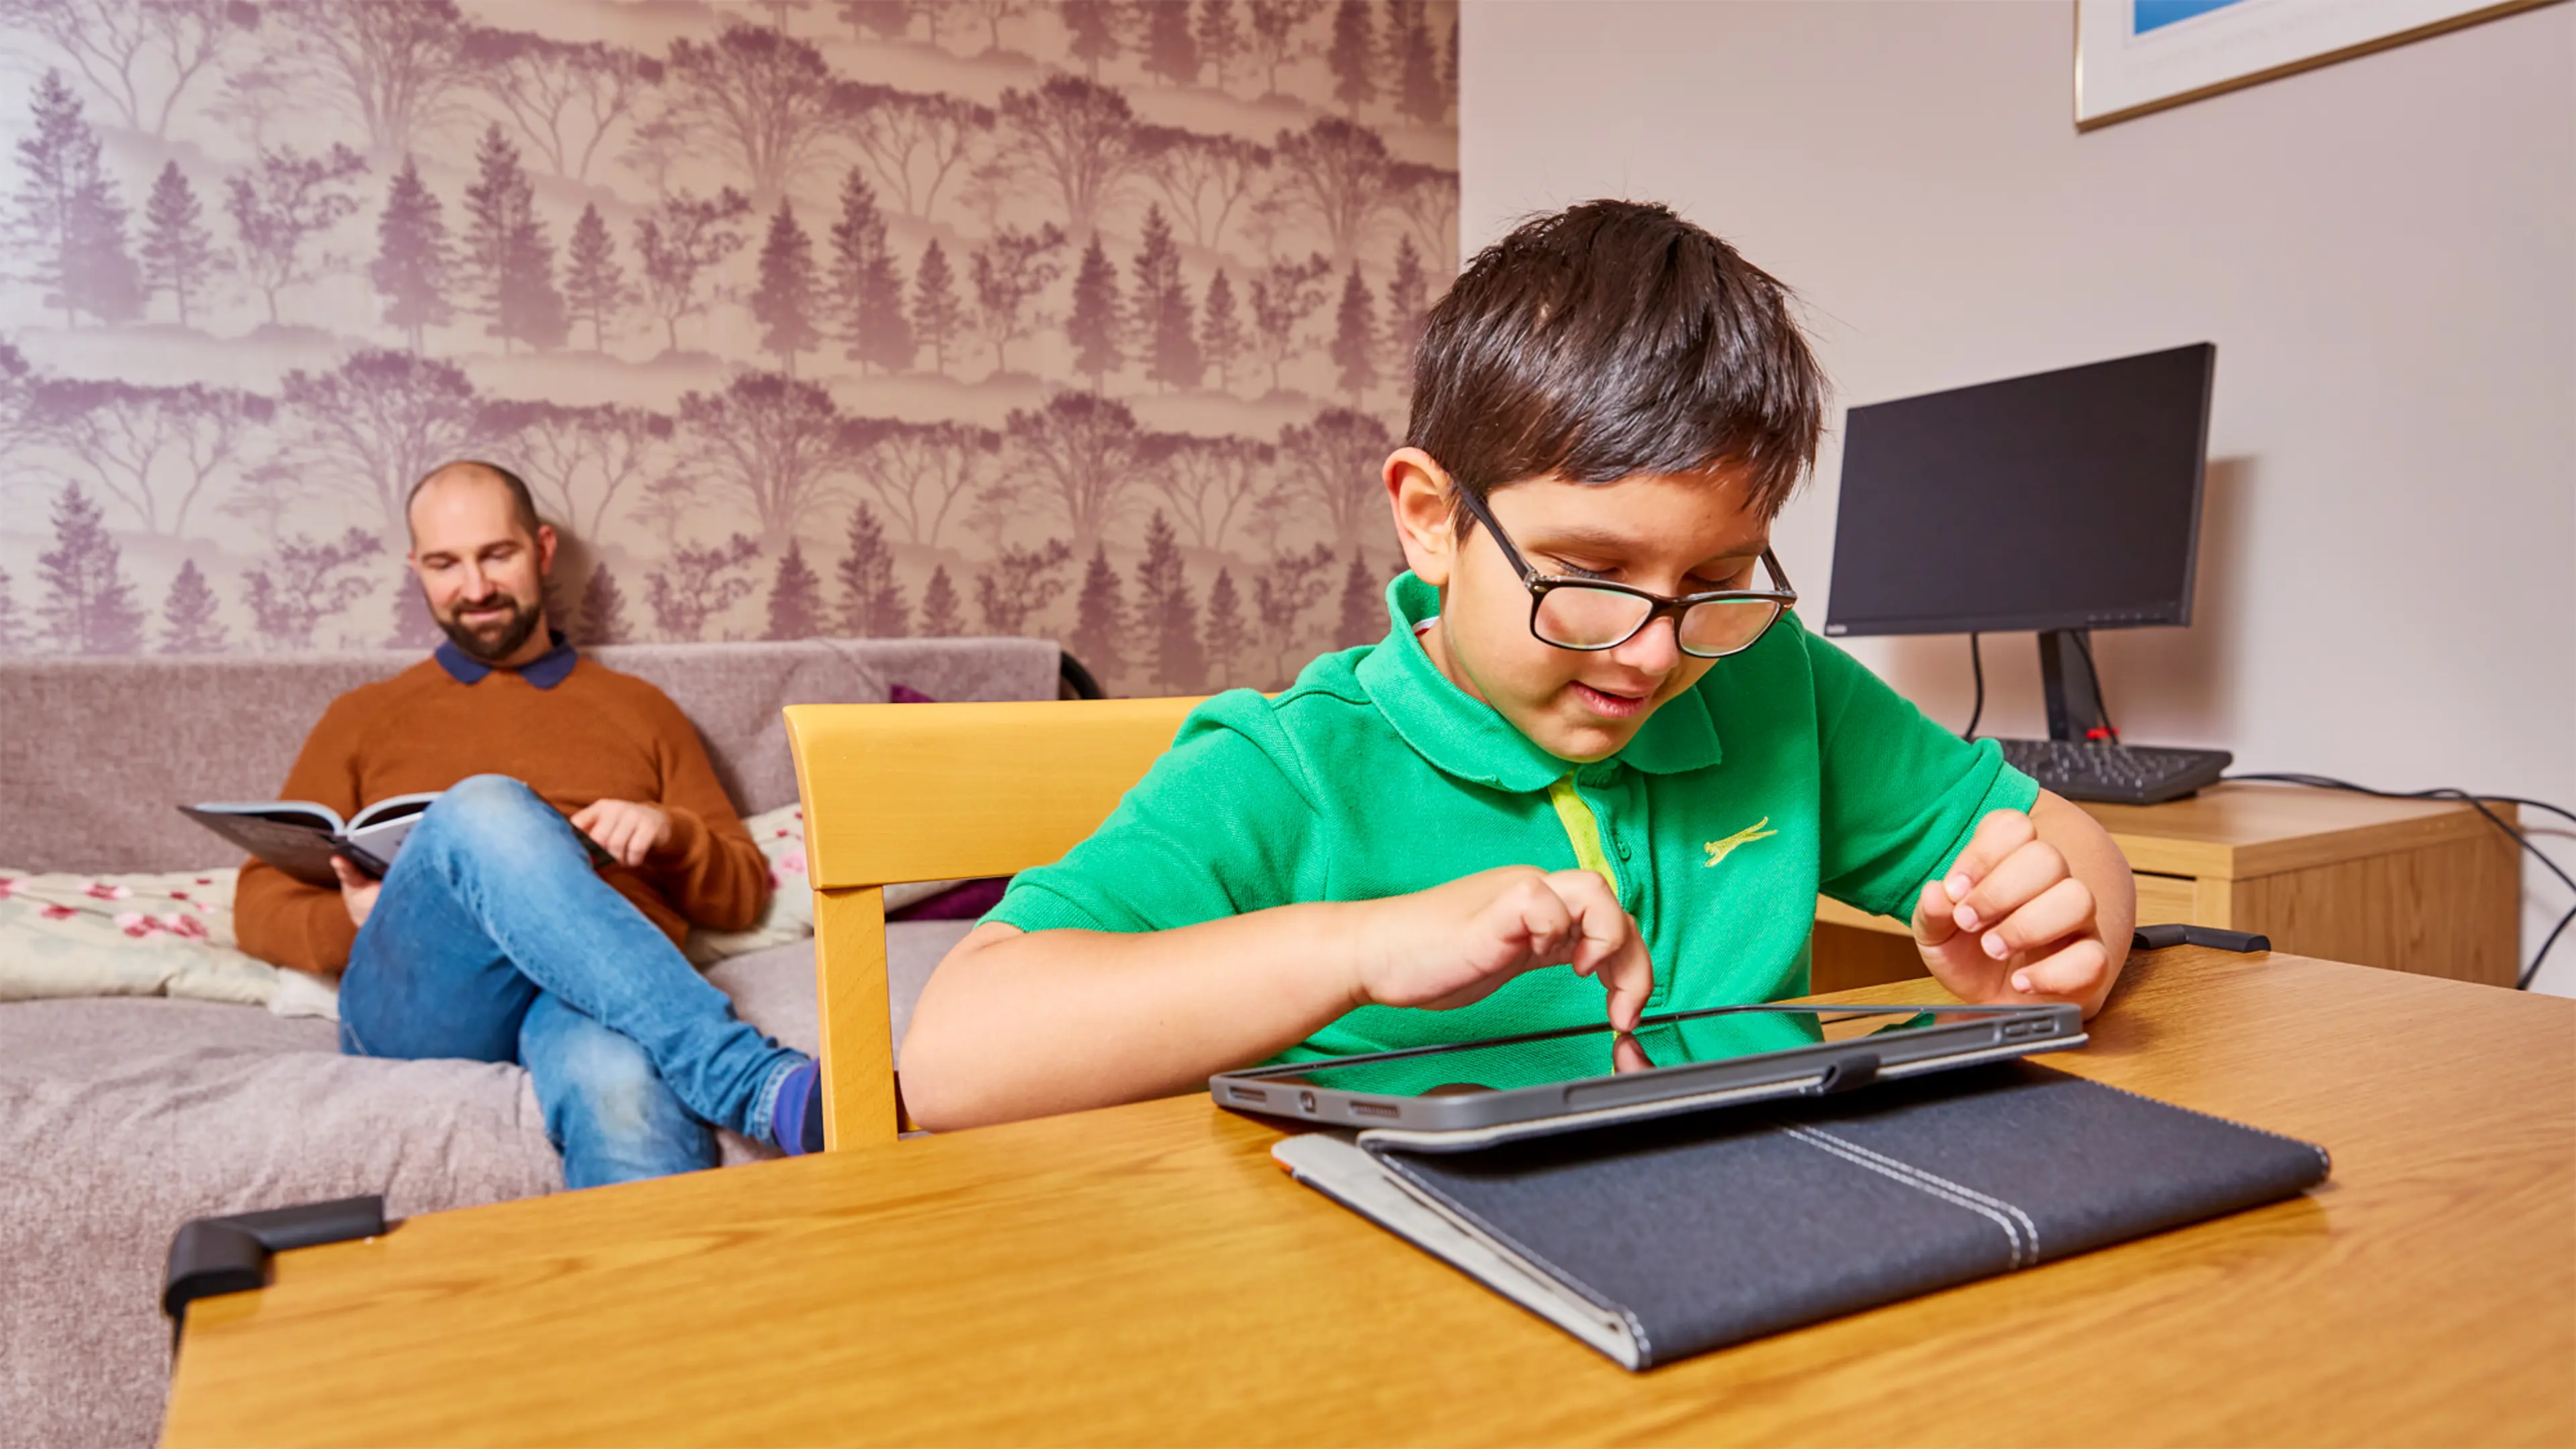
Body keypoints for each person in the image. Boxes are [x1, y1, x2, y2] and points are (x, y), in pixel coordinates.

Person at [900, 201, 2137, 1132]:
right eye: (1590, 580)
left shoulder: (1774, 684)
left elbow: (2072, 851)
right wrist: (1361, 946)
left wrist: (2046, 939)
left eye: (1714, 582)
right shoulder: (1293, 767)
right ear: (1432, 517)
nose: (1655, 653)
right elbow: (958, 1059)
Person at [233, 461, 827, 1185]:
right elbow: (256, 905)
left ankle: (661, 1297)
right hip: (428, 1000)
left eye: (497, 555)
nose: (475, 588)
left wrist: (668, 833)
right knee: (485, 807)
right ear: (415, 568)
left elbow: (741, 892)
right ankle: (747, 1078)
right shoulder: (362, 718)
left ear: (542, 551)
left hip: (597, 992)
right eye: (445, 564)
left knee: (624, 1090)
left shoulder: (639, 709)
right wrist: (363, 917)